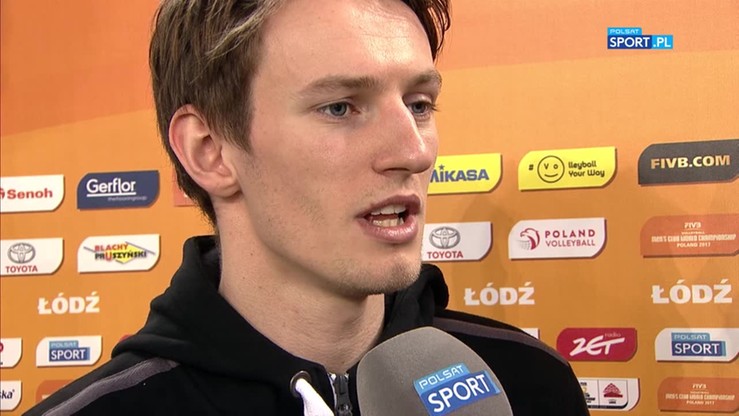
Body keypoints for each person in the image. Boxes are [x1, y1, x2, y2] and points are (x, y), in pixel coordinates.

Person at [27, 0, 589, 414]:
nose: (413, 152)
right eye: (341, 107)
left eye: (419, 104)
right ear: (210, 151)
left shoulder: (531, 383)